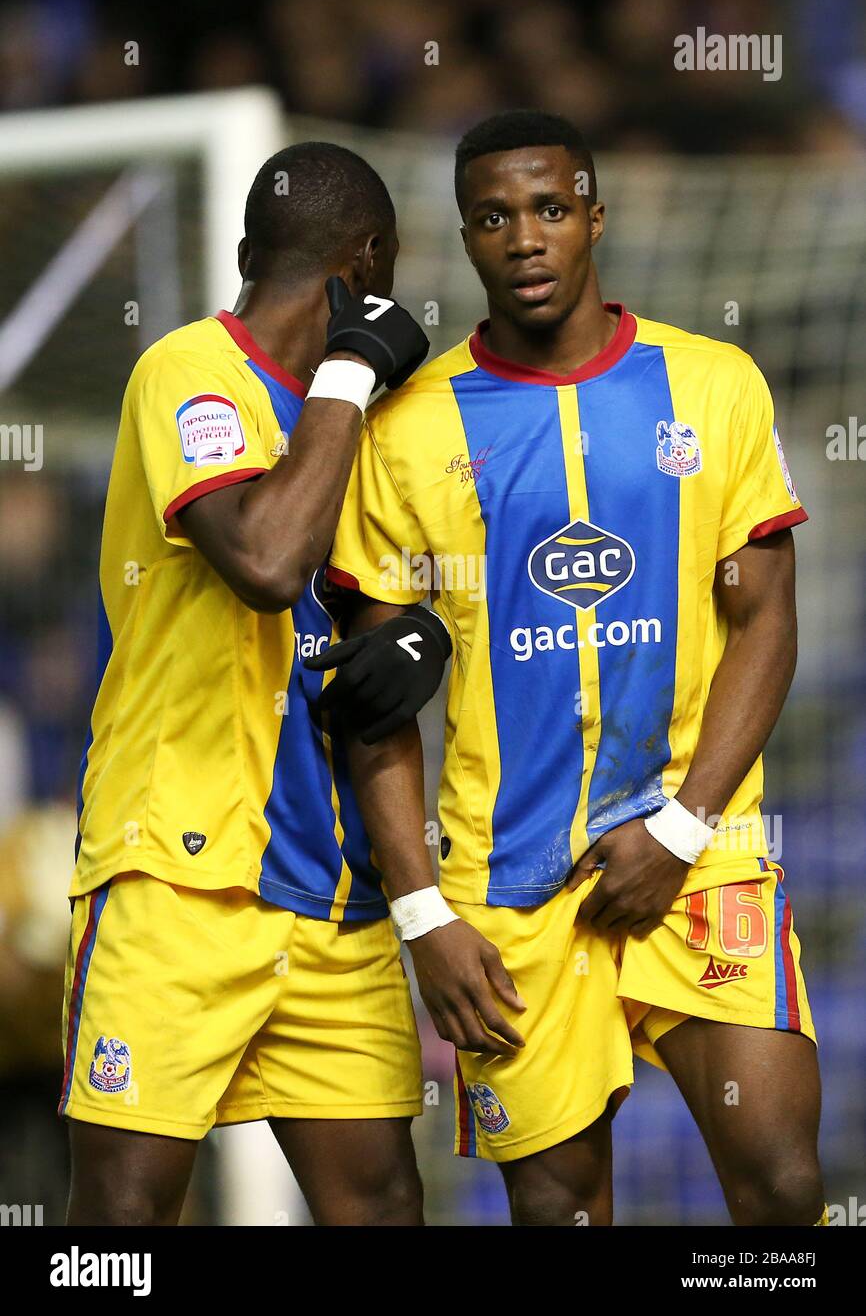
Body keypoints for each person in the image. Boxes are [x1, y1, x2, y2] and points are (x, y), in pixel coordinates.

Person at [313, 110, 827, 1226]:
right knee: (558, 1214)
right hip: (503, 891)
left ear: (593, 215)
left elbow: (765, 623)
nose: (525, 239)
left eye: (549, 209)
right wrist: (418, 914)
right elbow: (370, 707)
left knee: (783, 1187)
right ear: (465, 239)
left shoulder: (711, 384)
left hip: (700, 856)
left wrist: (681, 829)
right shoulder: (406, 430)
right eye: (493, 218)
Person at [61, 141, 438, 1226]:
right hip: (174, 875)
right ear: (368, 263)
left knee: (380, 1209)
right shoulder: (187, 367)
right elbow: (269, 564)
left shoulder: (365, 427)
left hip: (330, 892)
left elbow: (376, 615)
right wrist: (345, 374)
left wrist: (420, 638)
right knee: (118, 1227)